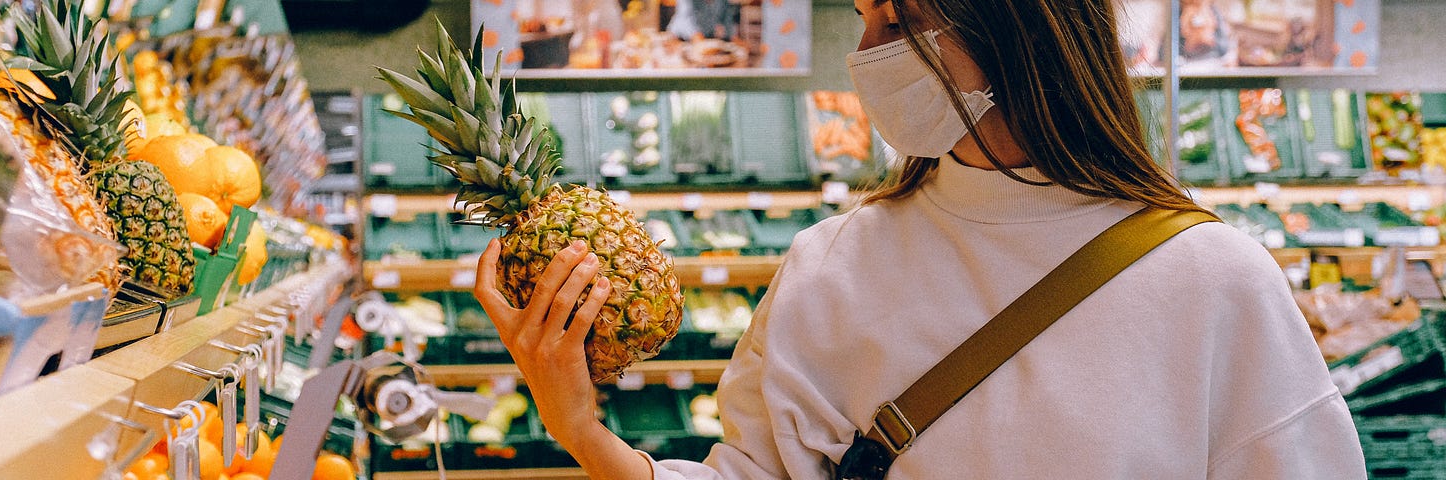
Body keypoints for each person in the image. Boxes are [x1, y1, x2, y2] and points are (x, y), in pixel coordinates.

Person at [470, 0, 1368, 478]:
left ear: (1018, 28)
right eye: (864, 19)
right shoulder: (833, 265)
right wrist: (580, 427)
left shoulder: (1215, 281)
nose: (866, 54)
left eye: (899, 22)